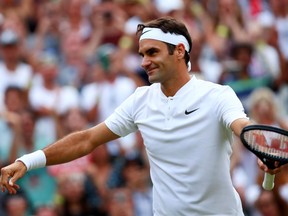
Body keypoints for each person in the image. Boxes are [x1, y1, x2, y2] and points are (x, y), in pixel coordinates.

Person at [0, 16, 281, 215]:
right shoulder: (140, 100)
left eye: (152, 52)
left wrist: (259, 146)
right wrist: (28, 161)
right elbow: (86, 140)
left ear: (180, 51)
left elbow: (241, 126)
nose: (143, 61)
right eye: (142, 53)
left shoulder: (218, 95)